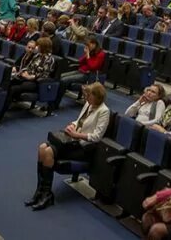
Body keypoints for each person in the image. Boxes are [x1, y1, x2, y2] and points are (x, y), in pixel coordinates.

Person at [27, 82, 111, 210]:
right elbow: (79, 121)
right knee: (42, 148)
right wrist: (72, 125)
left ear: (97, 96)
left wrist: (77, 135)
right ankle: (40, 191)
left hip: (84, 148)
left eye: (88, 95)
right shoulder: (89, 104)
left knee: (48, 151)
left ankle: (47, 195)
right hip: (72, 141)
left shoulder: (104, 111)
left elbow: (96, 137)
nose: (86, 98)